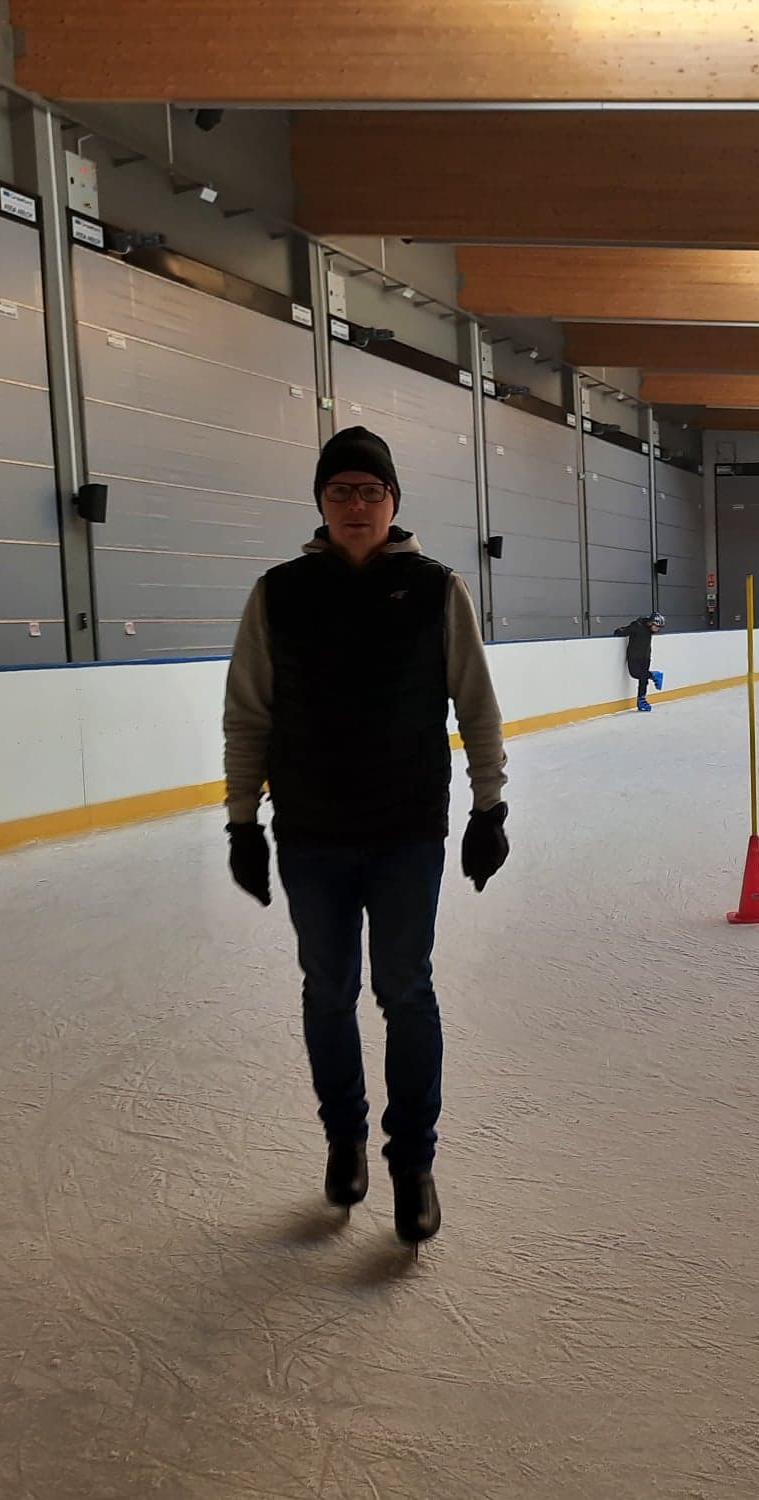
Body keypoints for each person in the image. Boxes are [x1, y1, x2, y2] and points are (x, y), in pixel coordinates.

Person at [222, 426, 508, 1248]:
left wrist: (490, 808)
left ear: (394, 504)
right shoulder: (278, 593)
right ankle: (344, 1139)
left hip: (405, 831)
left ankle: (412, 1164)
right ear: (320, 501)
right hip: (310, 832)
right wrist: (244, 821)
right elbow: (249, 715)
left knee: (406, 991)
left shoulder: (434, 588)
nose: (357, 503)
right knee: (327, 989)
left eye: (371, 490)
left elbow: (476, 705)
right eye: (342, 489)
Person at [614, 612, 666, 710]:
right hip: (634, 656)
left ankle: (642, 701)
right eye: (657, 626)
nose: (658, 629)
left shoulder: (650, 630)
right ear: (652, 623)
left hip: (645, 656)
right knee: (635, 673)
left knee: (643, 680)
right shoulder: (637, 626)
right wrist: (619, 631)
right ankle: (654, 675)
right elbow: (625, 630)